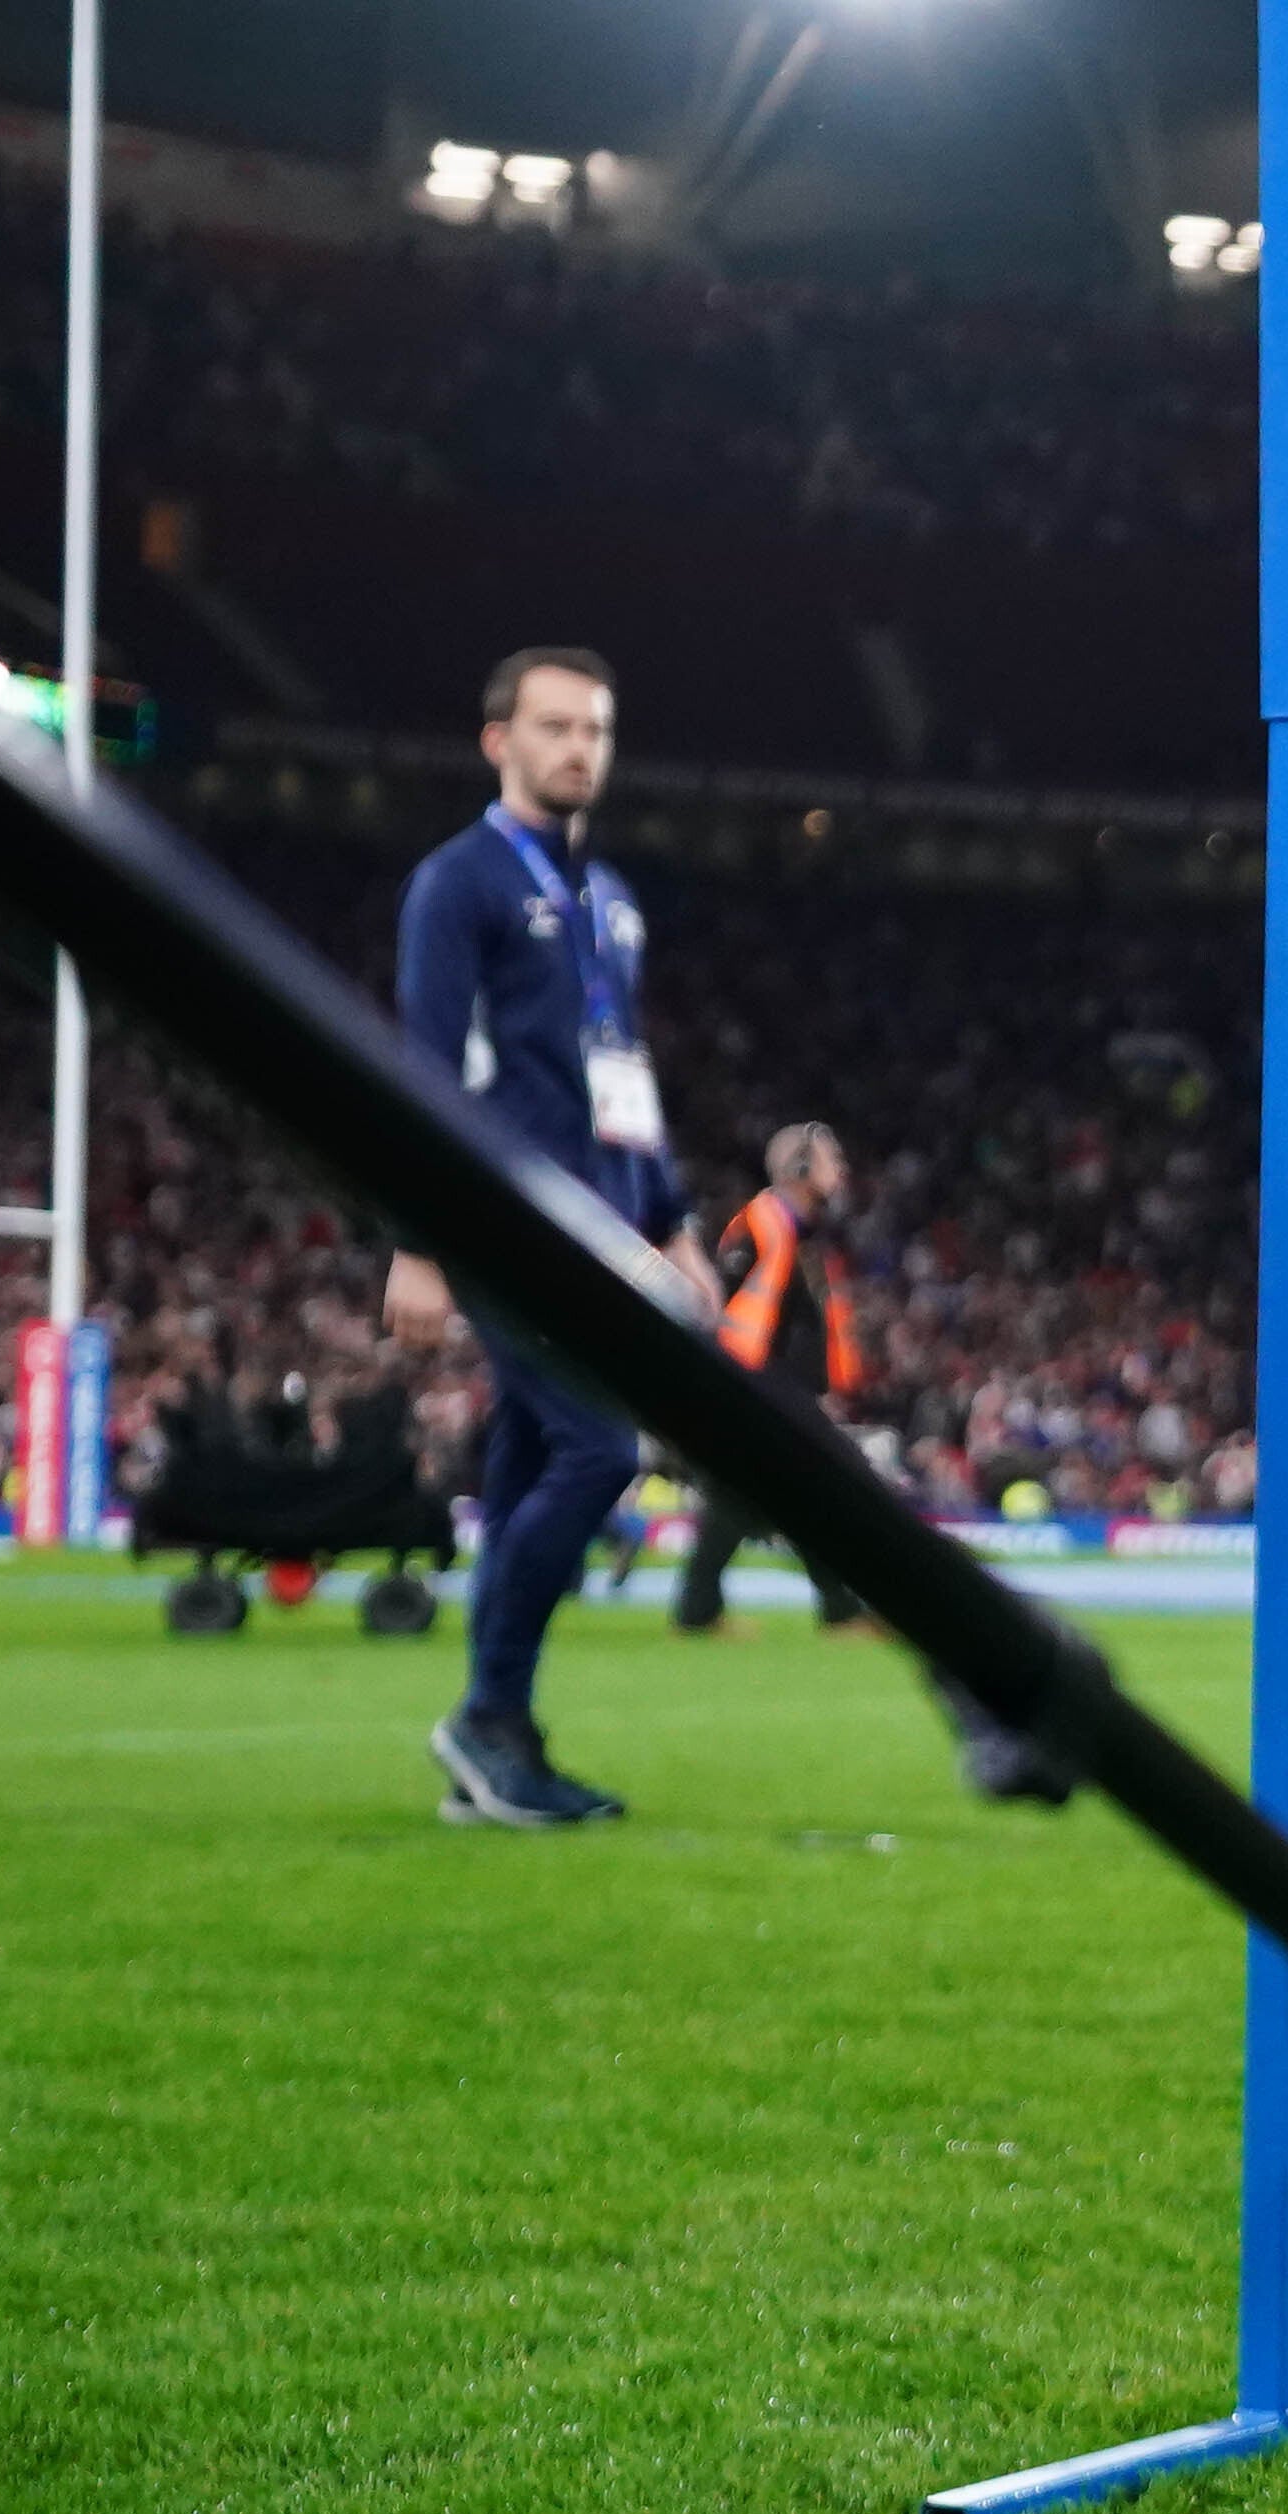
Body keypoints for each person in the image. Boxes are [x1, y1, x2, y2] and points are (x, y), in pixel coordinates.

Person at [388, 646, 716, 1824]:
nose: (580, 748)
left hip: (607, 1231)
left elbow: (623, 1065)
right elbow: (423, 1067)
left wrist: (672, 1222)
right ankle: (485, 1721)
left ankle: (500, 1741)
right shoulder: (458, 883)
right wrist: (419, 1241)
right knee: (601, 1450)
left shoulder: (610, 899)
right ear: (500, 742)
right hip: (505, 1227)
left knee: (535, 1462)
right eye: (556, 727)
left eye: (597, 731)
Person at [674, 1120, 866, 1635]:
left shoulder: (803, 1232)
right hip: (756, 1384)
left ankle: (699, 1611)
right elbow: (716, 1303)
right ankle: (842, 1609)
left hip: (777, 1386)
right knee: (830, 1481)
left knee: (758, 1496)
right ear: (801, 1169)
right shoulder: (763, 1222)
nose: (841, 1168)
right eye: (831, 1158)